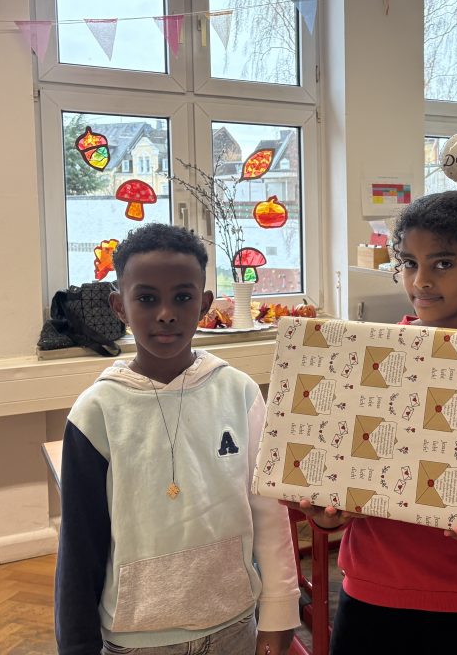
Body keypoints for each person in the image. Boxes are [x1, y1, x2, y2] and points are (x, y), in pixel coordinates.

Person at [289, 190, 457, 654]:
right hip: (371, 596)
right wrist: (323, 513)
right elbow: (328, 471)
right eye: (409, 263)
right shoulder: (370, 359)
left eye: (443, 263)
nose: (421, 281)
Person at [55, 223, 299, 655]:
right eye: (147, 298)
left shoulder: (239, 393)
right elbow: (79, 546)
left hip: (234, 624)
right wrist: (77, 646)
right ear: (119, 306)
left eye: (182, 297)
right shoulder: (96, 412)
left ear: (204, 304)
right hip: (138, 639)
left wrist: (279, 612)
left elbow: (268, 512)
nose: (166, 313)